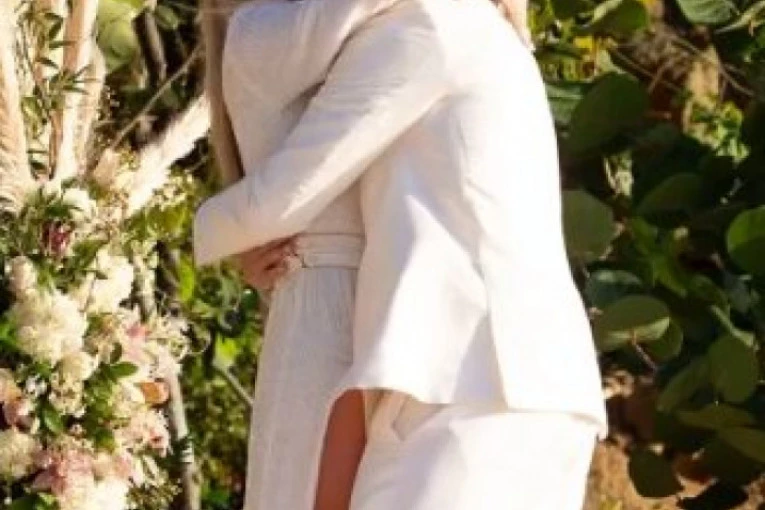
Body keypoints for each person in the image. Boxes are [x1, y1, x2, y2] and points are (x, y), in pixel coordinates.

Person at [194, 0, 608, 507]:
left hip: (481, 379)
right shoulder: (472, 28)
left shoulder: (429, 24)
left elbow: (282, 197)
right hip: (503, 380)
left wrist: (188, 231)